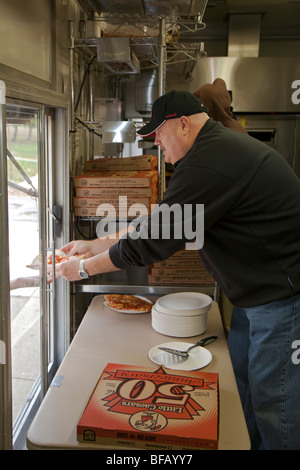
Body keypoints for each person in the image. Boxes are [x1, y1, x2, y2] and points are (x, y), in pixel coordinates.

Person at [55, 89, 300, 450]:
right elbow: (162, 222)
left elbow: (150, 242)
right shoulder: (212, 151)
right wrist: (97, 243)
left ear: (183, 125)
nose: (158, 145)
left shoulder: (210, 161)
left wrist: (84, 269)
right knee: (247, 386)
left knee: (276, 407)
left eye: (159, 135)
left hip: (283, 299)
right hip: (257, 294)